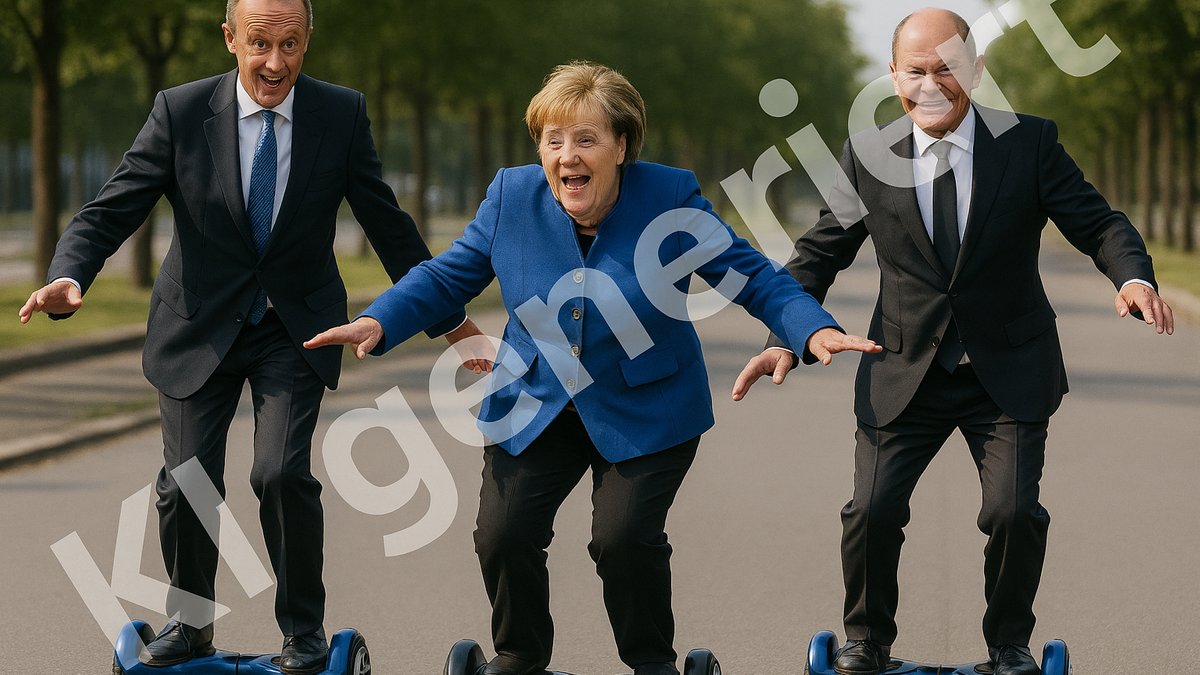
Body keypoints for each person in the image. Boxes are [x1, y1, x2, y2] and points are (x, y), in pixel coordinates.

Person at [305, 61, 881, 675]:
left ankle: (650, 659)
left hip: (648, 407)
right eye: (553, 140)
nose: (566, 156)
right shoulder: (511, 197)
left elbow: (754, 276)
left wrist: (810, 328)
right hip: (536, 399)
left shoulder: (669, 199)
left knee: (622, 538)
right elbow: (448, 275)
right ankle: (520, 652)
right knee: (503, 534)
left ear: (622, 146)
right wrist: (381, 319)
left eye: (586, 139)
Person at [17, 0, 483, 672]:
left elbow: (388, 226)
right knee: (186, 478)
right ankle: (190, 625)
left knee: (281, 472)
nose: (274, 62)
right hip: (197, 325)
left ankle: (303, 631)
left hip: (295, 329)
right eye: (259, 43)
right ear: (230, 38)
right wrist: (68, 275)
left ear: (308, 40)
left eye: (290, 44)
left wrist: (454, 325)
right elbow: (110, 208)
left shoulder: (340, 114)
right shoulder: (180, 112)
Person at [732, 8, 1174, 675]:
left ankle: (1009, 644)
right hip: (901, 366)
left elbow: (1100, 223)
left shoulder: (1028, 143)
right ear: (893, 76)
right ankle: (866, 639)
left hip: (1008, 368)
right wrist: (787, 336)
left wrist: (1133, 276)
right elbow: (818, 253)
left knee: (1013, 511)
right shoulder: (867, 156)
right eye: (917, 71)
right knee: (872, 509)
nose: (931, 85)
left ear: (977, 71)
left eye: (948, 69)